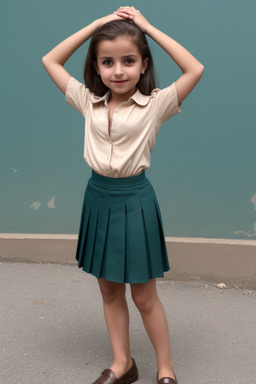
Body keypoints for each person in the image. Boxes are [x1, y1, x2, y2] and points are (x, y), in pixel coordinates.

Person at [42, 6, 204, 384]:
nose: (118, 71)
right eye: (108, 62)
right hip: (98, 198)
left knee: (144, 297)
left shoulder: (157, 105)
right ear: (96, 67)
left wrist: (146, 27)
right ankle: (123, 364)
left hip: (135, 200)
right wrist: (97, 26)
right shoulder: (88, 101)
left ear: (144, 64)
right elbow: (50, 59)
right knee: (110, 290)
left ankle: (165, 370)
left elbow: (194, 69)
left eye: (129, 61)